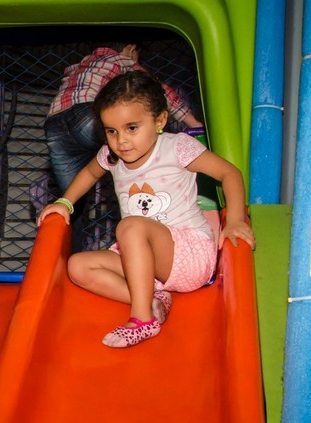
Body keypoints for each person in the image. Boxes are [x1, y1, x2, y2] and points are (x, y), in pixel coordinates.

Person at [40, 70, 254, 348]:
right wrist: (65, 203)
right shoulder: (111, 155)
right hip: (143, 260)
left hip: (187, 254)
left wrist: (235, 220)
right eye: (111, 131)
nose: (121, 141)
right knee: (78, 266)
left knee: (130, 227)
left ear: (160, 121)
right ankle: (152, 299)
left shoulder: (177, 147)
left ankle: (143, 320)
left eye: (132, 128)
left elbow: (229, 173)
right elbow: (90, 173)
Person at [40, 45, 202, 251]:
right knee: (128, 152)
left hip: (55, 125)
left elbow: (90, 172)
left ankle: (70, 247)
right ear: (130, 48)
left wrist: (63, 202)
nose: (122, 140)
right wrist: (193, 123)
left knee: (74, 201)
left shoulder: (80, 65)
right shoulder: (120, 60)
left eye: (132, 128)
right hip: (87, 115)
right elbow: (156, 90)